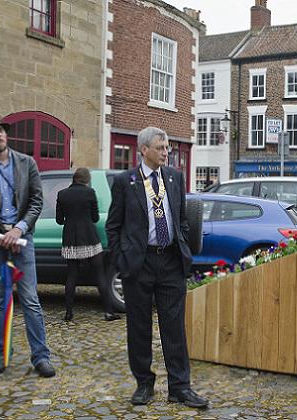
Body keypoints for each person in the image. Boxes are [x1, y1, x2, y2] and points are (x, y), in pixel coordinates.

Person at [105, 127, 208, 408]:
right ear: (144, 150)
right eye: (160, 148)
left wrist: (182, 244)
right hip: (139, 264)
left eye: (167, 148)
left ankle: (180, 387)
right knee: (139, 327)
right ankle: (144, 384)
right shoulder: (126, 181)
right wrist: (122, 259)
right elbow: (113, 226)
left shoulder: (174, 178)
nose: (166, 152)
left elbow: (182, 218)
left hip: (170, 261)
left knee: (174, 327)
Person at [0, 116, 56, 378]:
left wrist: (19, 229)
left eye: (1, 131)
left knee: (30, 300)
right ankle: (0, 355)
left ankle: (41, 357)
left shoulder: (27, 163)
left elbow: (37, 202)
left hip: (23, 240)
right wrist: (0, 236)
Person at [55, 167, 120, 322]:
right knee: (100, 274)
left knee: (71, 276)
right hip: (90, 238)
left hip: (71, 239)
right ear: (86, 180)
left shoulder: (62, 194)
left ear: (74, 178)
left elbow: (59, 220)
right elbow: (95, 218)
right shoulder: (89, 193)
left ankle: (69, 313)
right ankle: (108, 312)